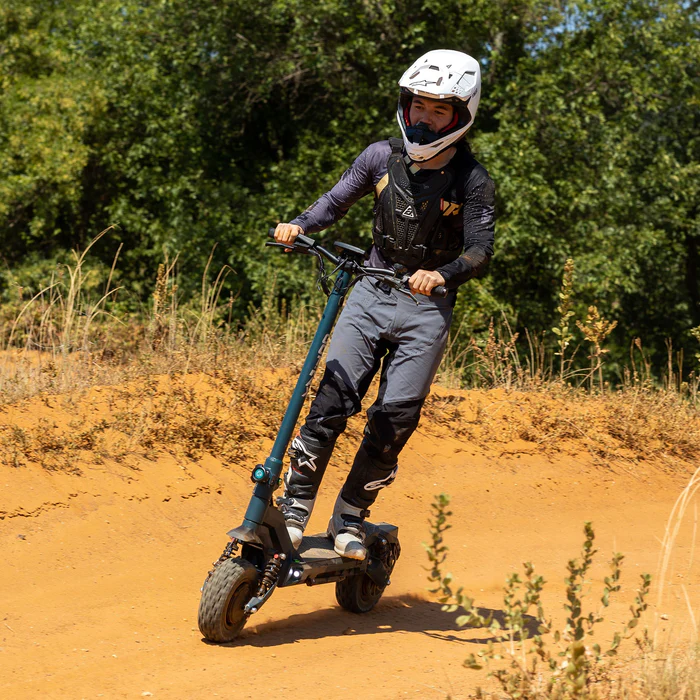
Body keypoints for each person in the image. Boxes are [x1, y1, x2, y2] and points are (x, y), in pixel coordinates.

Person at [273, 49, 495, 560]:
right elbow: (335, 202)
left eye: (439, 110)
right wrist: (299, 226)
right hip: (371, 292)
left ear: (460, 116)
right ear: (405, 105)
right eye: (419, 105)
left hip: (426, 308)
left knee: (394, 423)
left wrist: (442, 274)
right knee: (330, 402)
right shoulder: (380, 157)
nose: (425, 118)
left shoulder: (473, 180)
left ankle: (350, 516)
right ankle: (294, 510)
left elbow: (480, 250)